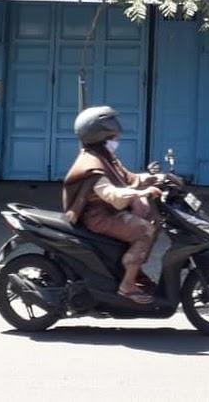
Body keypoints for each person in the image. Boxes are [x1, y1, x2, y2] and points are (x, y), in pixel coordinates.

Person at [62, 105, 173, 304]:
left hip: (109, 211)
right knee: (144, 231)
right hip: (99, 217)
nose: (117, 140)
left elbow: (128, 178)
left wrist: (153, 179)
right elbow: (112, 194)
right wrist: (142, 192)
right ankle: (127, 286)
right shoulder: (91, 165)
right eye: (113, 136)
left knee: (154, 218)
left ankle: (132, 270)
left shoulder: (105, 157)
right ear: (100, 137)